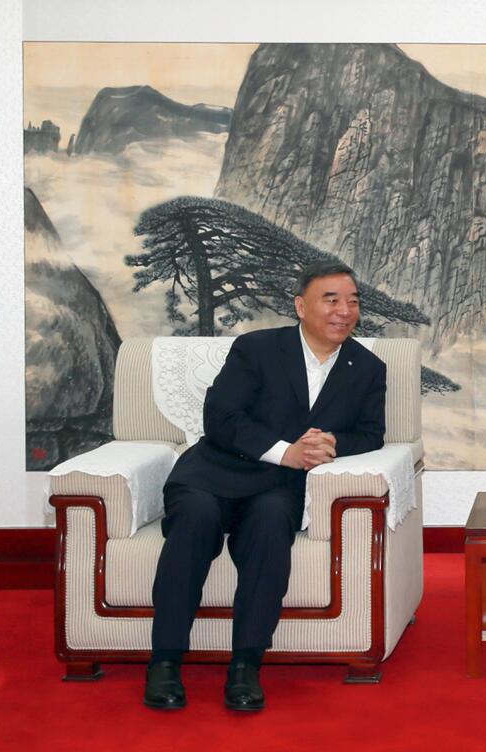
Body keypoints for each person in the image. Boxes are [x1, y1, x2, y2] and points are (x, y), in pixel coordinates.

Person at [144, 262, 387, 712]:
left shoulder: (367, 368)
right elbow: (221, 419)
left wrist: (332, 442)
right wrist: (285, 451)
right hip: (214, 471)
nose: (344, 310)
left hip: (276, 487)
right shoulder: (256, 349)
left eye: (353, 301)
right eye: (331, 300)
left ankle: (245, 666)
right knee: (195, 520)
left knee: (272, 524)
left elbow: (372, 434)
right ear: (301, 306)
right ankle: (165, 661)